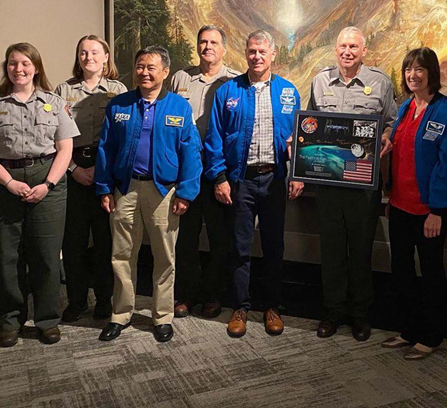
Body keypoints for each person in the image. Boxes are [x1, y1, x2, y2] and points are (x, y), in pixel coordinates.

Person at [95, 45, 202, 343]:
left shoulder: (179, 108)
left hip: (164, 192)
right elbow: (106, 149)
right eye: (140, 66)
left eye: (151, 67)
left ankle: (161, 316)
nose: (144, 72)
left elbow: (191, 151)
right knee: (121, 255)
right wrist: (104, 188)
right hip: (125, 189)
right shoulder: (119, 106)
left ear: (165, 72)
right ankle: (120, 314)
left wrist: (186, 193)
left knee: (165, 257)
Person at [204, 29, 303, 338]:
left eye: (262, 51)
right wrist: (219, 177)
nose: (257, 56)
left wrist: (297, 173)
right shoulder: (228, 92)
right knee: (240, 247)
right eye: (251, 51)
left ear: (272, 55)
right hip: (240, 181)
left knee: (274, 245)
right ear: (245, 54)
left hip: (275, 179)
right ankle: (241, 307)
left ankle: (272, 306)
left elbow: (302, 139)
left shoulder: (288, 91)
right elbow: (214, 138)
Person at [308, 26, 397, 341]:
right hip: (329, 182)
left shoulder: (380, 82)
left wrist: (387, 135)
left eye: (354, 47)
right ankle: (333, 312)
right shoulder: (320, 82)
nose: (348, 52)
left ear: (364, 51)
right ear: (336, 49)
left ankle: (359, 314)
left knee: (360, 249)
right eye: (343, 46)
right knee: (331, 249)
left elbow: (391, 121)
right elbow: (310, 124)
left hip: (362, 184)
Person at [0, 43, 79, 347]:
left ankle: (47, 319)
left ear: (36, 67)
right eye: (13, 63)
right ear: (7, 67)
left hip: (47, 180)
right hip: (4, 182)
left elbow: (65, 148)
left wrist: (49, 184)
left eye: (25, 63)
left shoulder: (54, 103)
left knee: (45, 255)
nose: (19, 69)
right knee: (7, 255)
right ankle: (11, 320)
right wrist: (8, 182)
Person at [381, 47, 447, 360]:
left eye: (419, 69)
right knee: (401, 271)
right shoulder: (405, 108)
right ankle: (408, 330)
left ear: (432, 73)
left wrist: (438, 210)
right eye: (408, 69)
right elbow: (400, 154)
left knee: (431, 274)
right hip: (401, 206)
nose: (412, 75)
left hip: (428, 211)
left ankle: (431, 336)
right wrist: (390, 196)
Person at [56, 35, 127, 323]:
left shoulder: (117, 90)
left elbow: (123, 136)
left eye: (95, 52)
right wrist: (74, 169)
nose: (89, 58)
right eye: (83, 53)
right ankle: (75, 300)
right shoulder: (63, 89)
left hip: (105, 169)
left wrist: (102, 170)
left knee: (104, 240)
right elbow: (55, 133)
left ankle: (103, 299)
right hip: (71, 167)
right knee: (72, 242)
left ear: (106, 57)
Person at [170, 25, 240, 319]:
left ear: (224, 48)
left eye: (213, 42)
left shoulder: (236, 81)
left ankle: (213, 295)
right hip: (186, 169)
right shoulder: (181, 78)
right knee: (184, 236)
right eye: (202, 42)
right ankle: (186, 294)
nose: (207, 46)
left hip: (218, 170)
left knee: (219, 236)